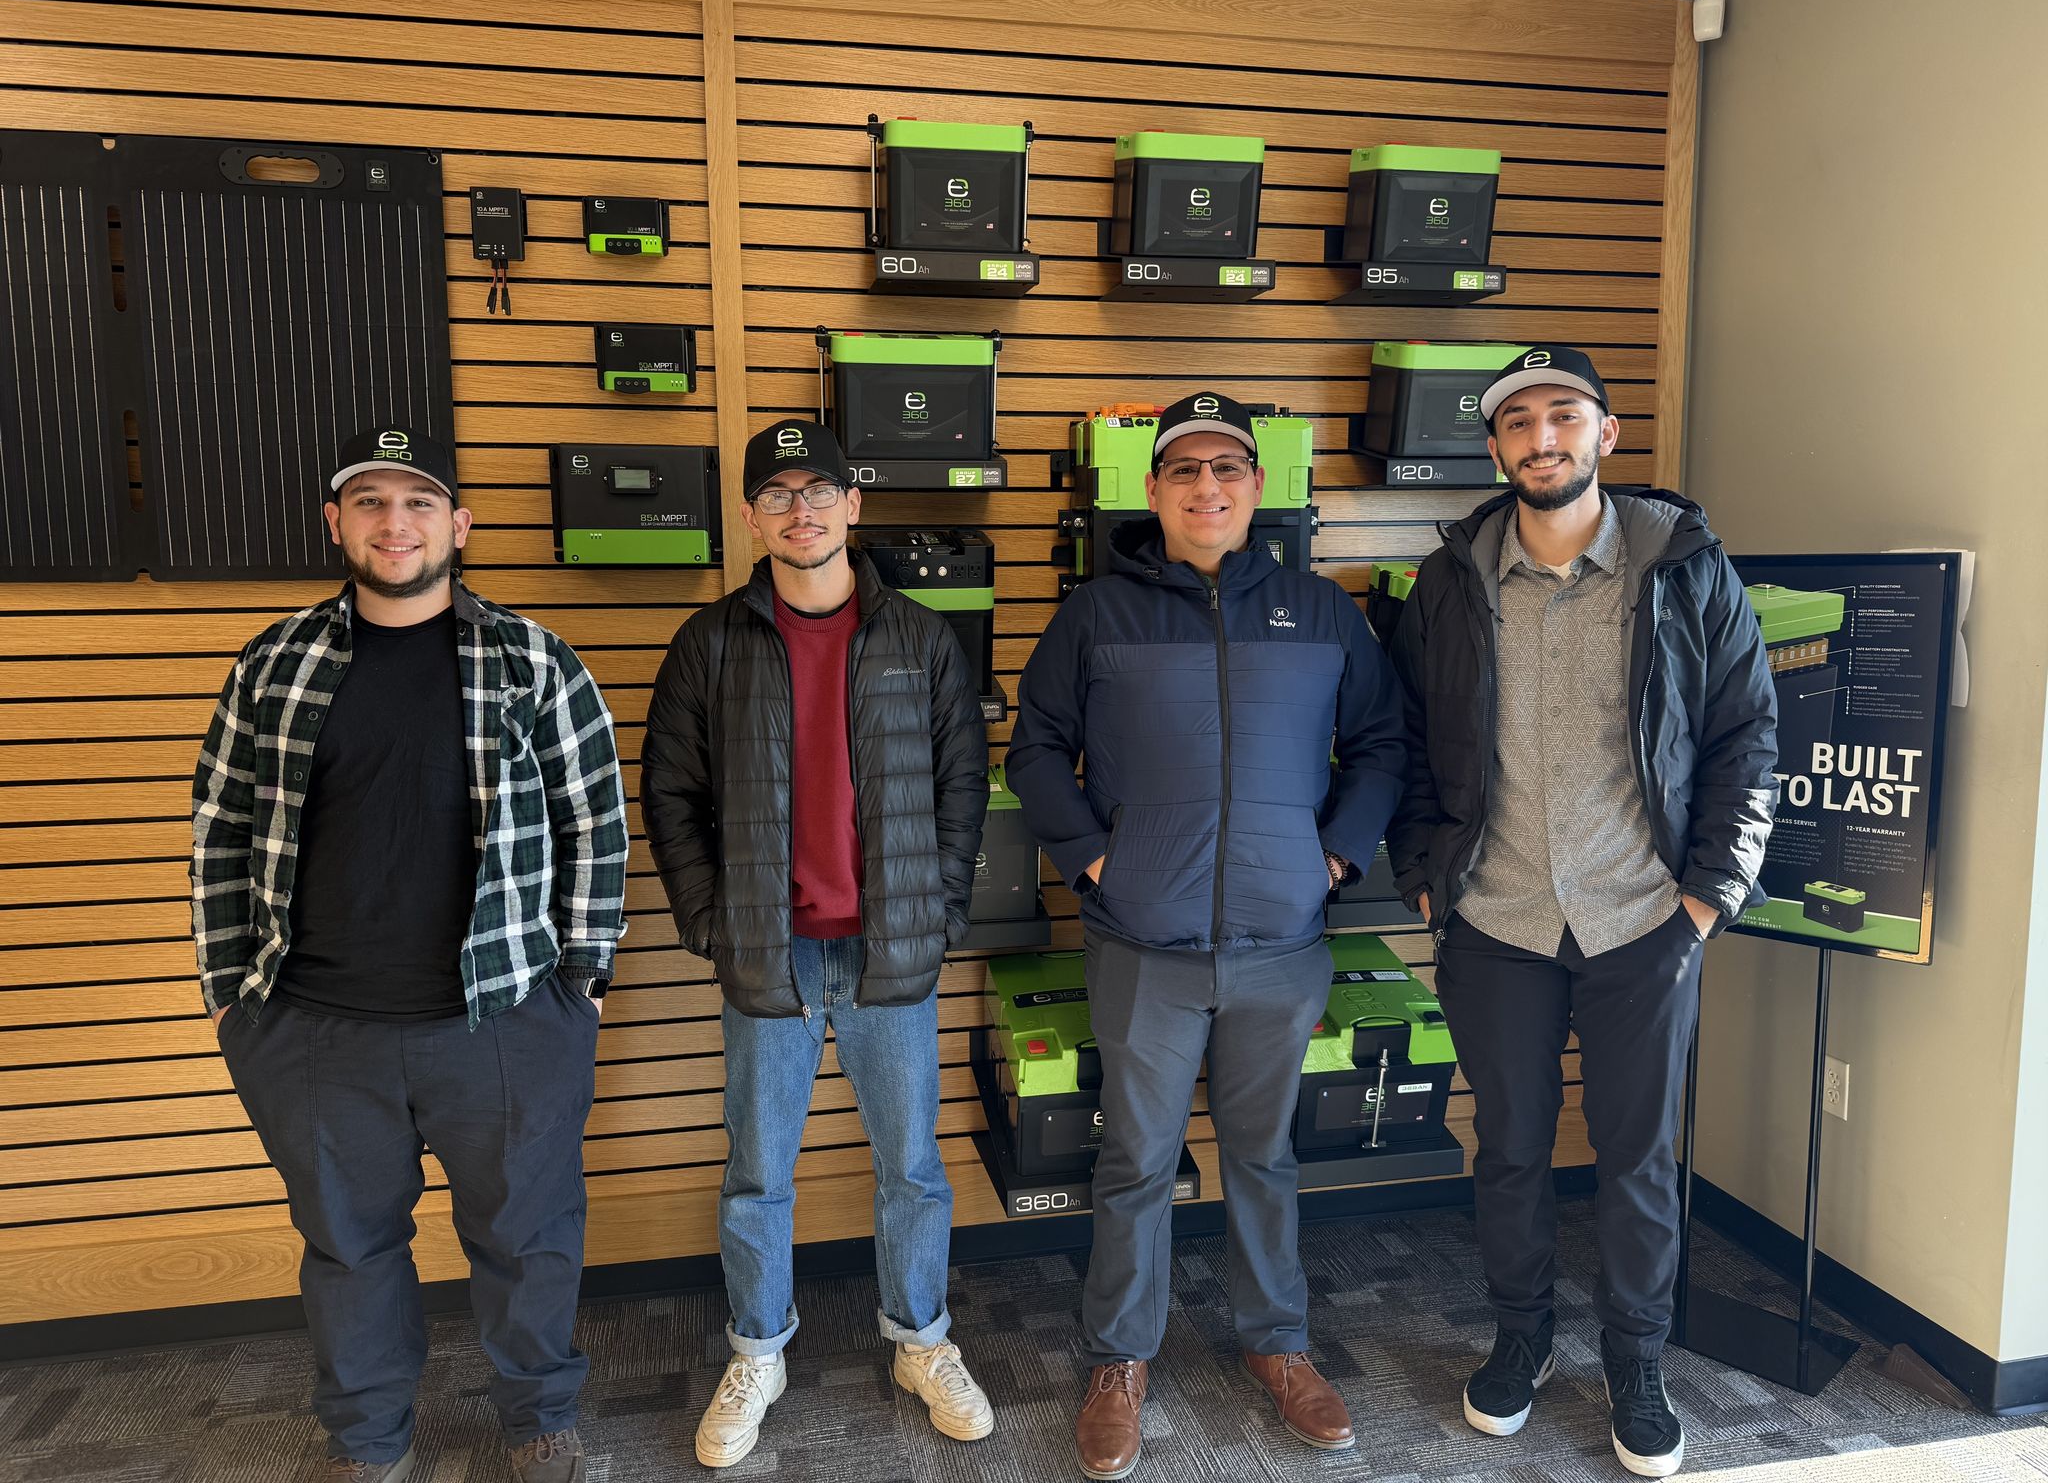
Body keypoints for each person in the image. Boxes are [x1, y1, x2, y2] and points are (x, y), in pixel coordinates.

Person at [190, 425, 628, 1483]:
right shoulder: (276, 663)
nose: (398, 525)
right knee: (350, 1252)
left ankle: (538, 1428)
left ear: (459, 527)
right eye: (374, 503)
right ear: (337, 523)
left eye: (420, 503)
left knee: (528, 1240)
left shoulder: (531, 658)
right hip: (314, 1028)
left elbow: (595, 827)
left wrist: (580, 985)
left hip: (505, 1021)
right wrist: (230, 999)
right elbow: (223, 827)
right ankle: (369, 1445)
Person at [1386, 346, 1778, 1479]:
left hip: (1643, 921)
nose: (1539, 438)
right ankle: (1519, 1339)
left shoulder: (1685, 569)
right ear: (1495, 447)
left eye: (1563, 415)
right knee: (1506, 1151)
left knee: (1636, 1159)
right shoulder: (1450, 579)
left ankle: (1635, 1361)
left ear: (1604, 434)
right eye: (1516, 422)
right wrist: (1425, 872)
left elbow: (1745, 737)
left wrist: (1707, 898)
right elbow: (1408, 737)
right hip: (1495, 921)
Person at [1007, 391, 1410, 1481]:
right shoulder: (1096, 614)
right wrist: (1098, 860)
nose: (1207, 489)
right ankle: (1117, 1360)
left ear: (1256, 487)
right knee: (1134, 1161)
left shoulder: (1322, 614)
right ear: (1152, 492)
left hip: (1280, 942)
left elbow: (1379, 746)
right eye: (1184, 471)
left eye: (1226, 470)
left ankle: (1277, 1344)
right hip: (1143, 942)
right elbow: (1035, 750)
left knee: (1263, 1159)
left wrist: (1332, 858)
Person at [638, 418, 993, 1469]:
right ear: (752, 515)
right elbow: (671, 795)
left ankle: (920, 1341)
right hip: (768, 956)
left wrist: (940, 911)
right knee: (757, 1174)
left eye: (820, 488)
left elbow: (963, 787)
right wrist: (710, 921)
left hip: (892, 956)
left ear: (852, 505)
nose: (803, 508)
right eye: (780, 492)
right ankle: (758, 1350)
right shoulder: (707, 645)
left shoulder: (922, 639)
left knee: (913, 1171)